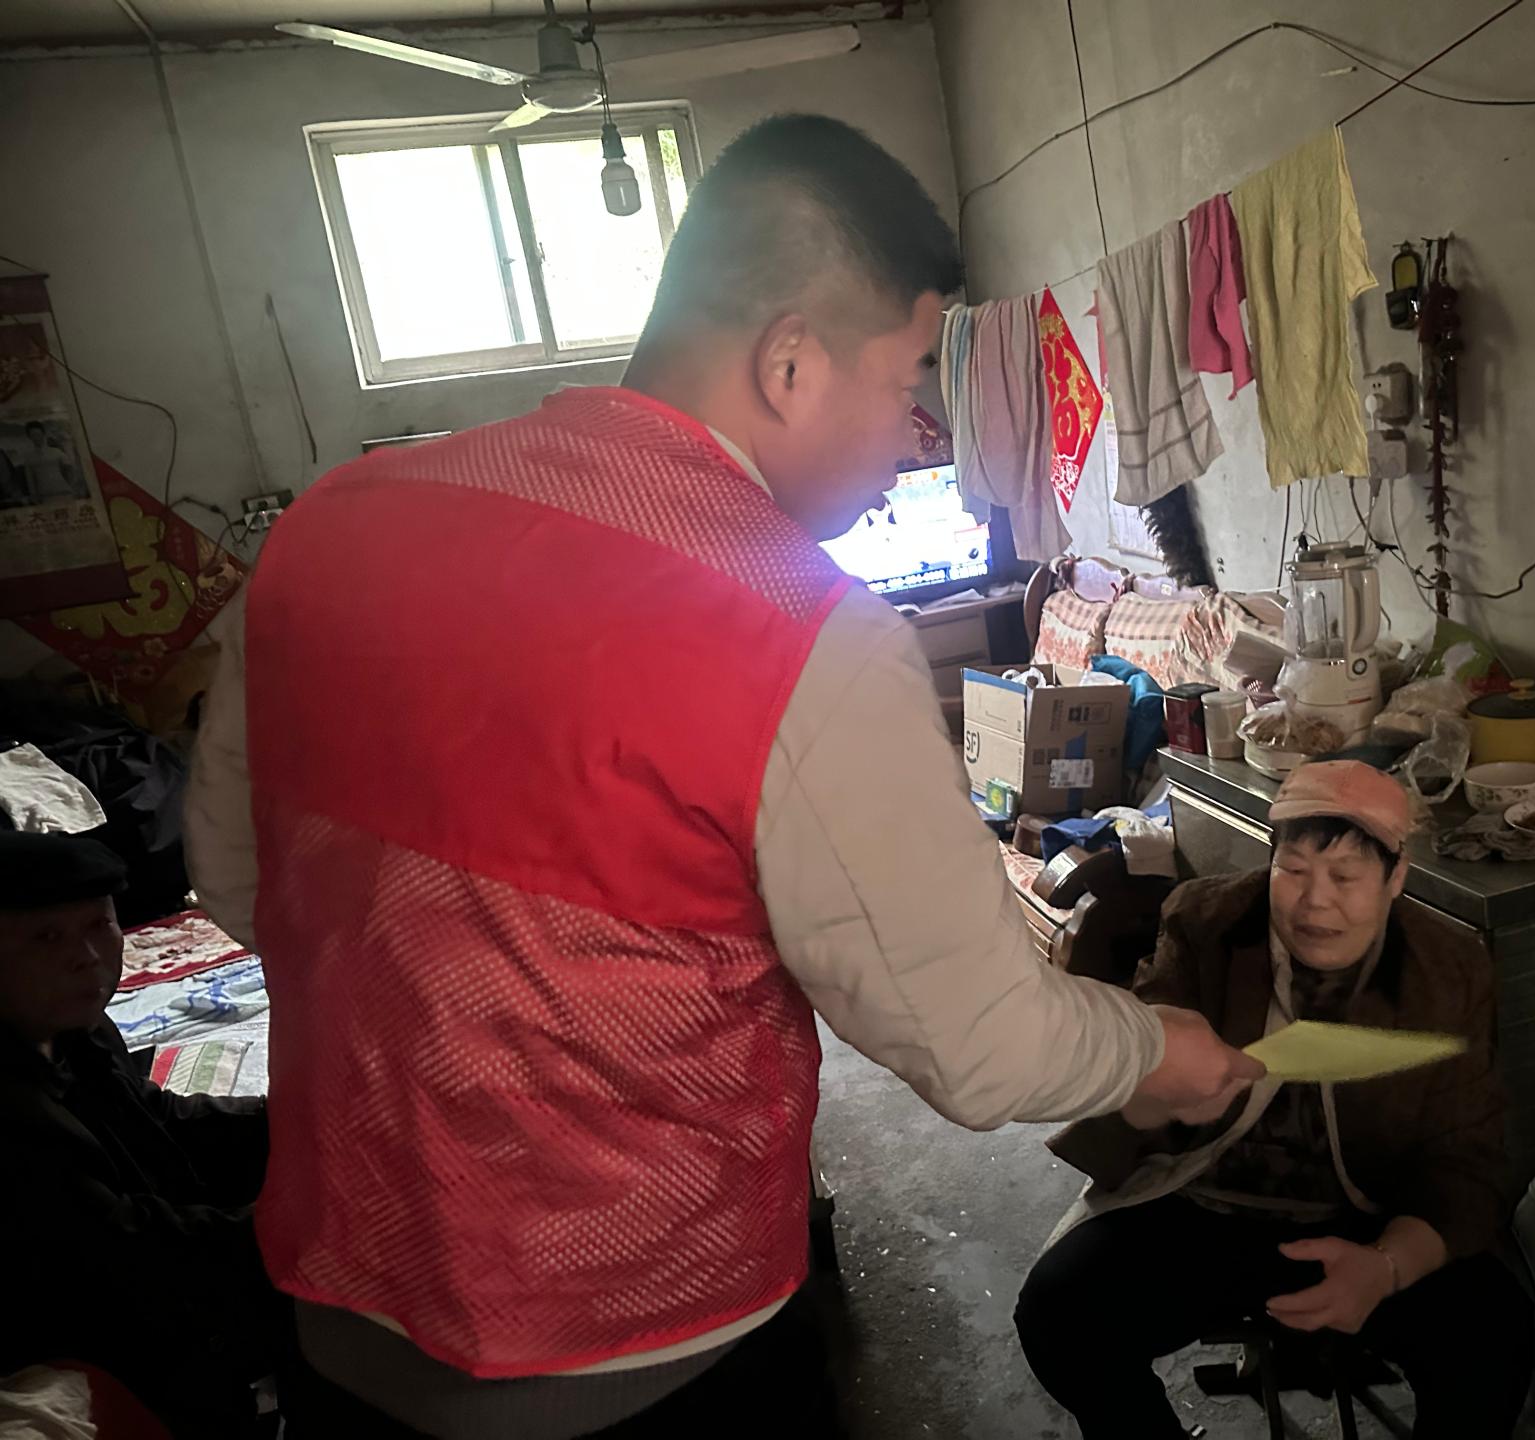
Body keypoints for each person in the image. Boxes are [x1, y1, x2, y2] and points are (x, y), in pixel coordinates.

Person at [183, 113, 1261, 1438]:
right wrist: (1156, 1051)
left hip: (339, 1329)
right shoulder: (795, 631)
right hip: (651, 1353)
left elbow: (236, 882)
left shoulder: (324, 530)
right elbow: (980, 1048)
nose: (917, 432)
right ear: (789, 363)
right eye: (907, 378)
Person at [1017, 761, 1535, 1439]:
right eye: (1293, 870)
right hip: (1207, 1205)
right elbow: (1136, 1077)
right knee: (1060, 1314)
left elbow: (1470, 1161)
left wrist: (1385, 1268)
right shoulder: (1205, 923)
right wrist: (1155, 1091)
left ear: (1396, 878)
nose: (1314, 901)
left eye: (1345, 877)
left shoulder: (1449, 968)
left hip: (1369, 1215)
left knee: (1494, 1336)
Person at [0, 830, 280, 1437]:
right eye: (46, 937)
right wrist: (299, 1225)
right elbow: (123, 1246)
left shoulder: (70, 1023)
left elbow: (156, 1121)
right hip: (70, 1319)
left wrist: (288, 1124)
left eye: (98, 926)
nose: (87, 956)